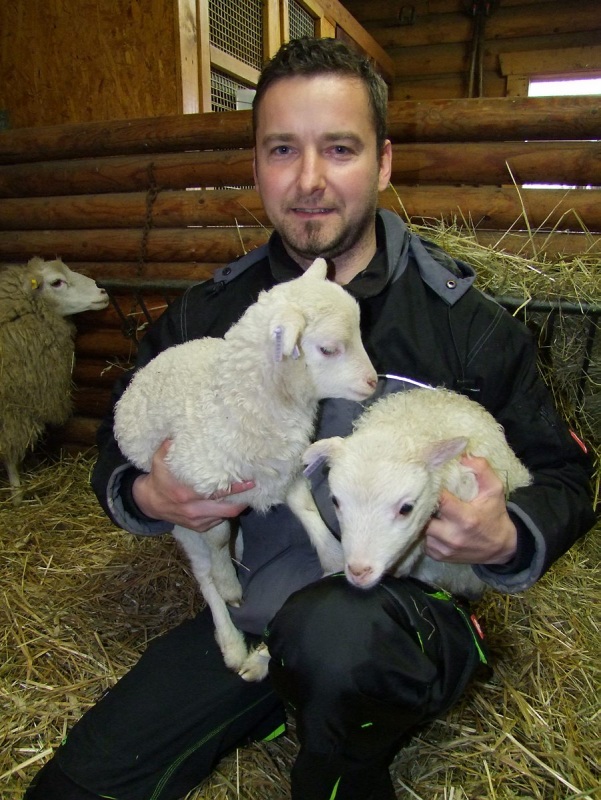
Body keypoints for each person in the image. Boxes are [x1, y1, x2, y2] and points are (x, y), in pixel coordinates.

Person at [25, 36, 595, 800]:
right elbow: (115, 449)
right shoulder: (213, 316)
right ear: (257, 164)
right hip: (258, 601)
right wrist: (147, 495)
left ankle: (345, 756)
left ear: (384, 162)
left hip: (394, 607)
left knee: (339, 640)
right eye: (282, 150)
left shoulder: (466, 325)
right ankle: (276, 693)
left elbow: (562, 473)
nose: (309, 180)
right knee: (75, 790)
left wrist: (503, 533)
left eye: (340, 148)